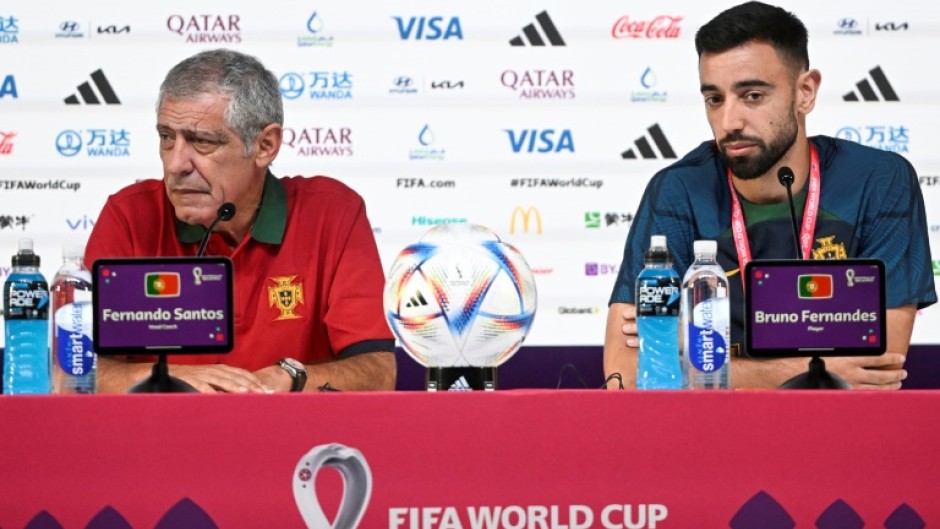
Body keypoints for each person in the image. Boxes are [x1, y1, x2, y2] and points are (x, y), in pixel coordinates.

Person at [604, 1, 936, 390]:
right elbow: (626, 375)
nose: (729, 122)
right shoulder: (678, 190)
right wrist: (809, 370)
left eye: (753, 95)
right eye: (715, 99)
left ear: (805, 92)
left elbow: (875, 371)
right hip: (710, 426)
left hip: (834, 426)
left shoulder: (879, 181)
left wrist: (692, 353)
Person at [85, 49, 395, 393]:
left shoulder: (332, 213)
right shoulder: (130, 216)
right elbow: (72, 371)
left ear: (265, 146)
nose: (175, 165)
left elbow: (379, 372)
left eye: (202, 141)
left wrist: (289, 377)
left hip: (290, 426)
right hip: (165, 427)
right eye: (167, 137)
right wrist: (168, 376)